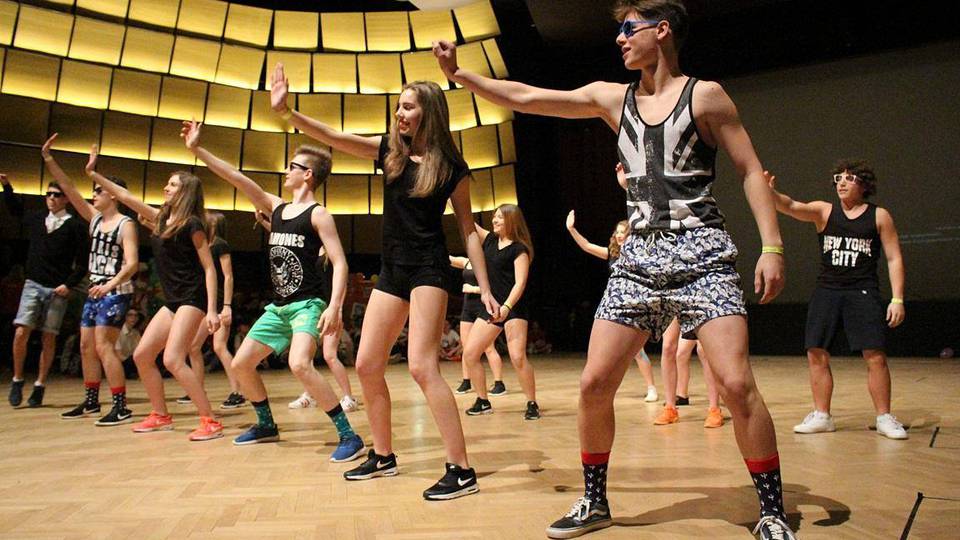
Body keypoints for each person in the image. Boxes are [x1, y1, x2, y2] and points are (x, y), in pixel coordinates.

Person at [434, 1, 794, 537]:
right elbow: (529, 97)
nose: (620, 39)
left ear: (662, 30)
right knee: (594, 382)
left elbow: (749, 170)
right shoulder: (612, 98)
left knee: (738, 384)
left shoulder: (706, 96)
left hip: (703, 254)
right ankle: (594, 501)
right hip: (638, 258)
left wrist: (773, 246)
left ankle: (772, 512)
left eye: (630, 29)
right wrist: (460, 74)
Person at [270, 63, 498, 499]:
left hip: (429, 269)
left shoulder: (452, 167)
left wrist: (484, 286)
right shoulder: (389, 152)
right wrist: (289, 113)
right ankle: (383, 455)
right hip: (392, 269)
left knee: (421, 366)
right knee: (367, 364)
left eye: (408, 107)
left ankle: (461, 469)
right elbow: (335, 137)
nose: (399, 114)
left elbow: (468, 229)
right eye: (398, 107)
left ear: (428, 112)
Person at [181, 119, 365, 461]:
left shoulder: (319, 215)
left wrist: (335, 306)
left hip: (307, 305)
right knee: (241, 364)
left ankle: (348, 435)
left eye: (292, 166)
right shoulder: (276, 208)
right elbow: (236, 178)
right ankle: (266, 424)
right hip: (279, 308)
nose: (286, 171)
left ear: (307, 174)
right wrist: (198, 149)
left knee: (300, 364)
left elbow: (340, 263)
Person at [87, 145, 224, 441]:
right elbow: (125, 197)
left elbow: (210, 269)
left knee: (173, 359)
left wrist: (213, 309)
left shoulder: (192, 224)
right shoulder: (161, 220)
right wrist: (93, 173)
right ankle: (160, 415)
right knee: (142, 355)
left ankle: (210, 420)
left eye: (172, 185)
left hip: (192, 297)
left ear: (185, 192)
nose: (166, 188)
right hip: (173, 300)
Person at [767, 163, 907, 439]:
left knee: (875, 355)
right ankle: (822, 415)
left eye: (849, 178)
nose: (842, 183)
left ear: (864, 184)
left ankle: (884, 417)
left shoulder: (879, 216)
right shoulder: (824, 211)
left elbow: (894, 258)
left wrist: (897, 299)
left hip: (863, 291)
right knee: (816, 352)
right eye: (838, 178)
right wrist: (770, 193)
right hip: (827, 291)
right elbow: (791, 206)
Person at [40, 135, 139, 425]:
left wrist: (109, 285)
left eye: (99, 190)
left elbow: (132, 263)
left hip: (115, 290)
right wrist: (48, 158)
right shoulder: (95, 219)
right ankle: (92, 400)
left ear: (113, 195)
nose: (94, 194)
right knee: (86, 346)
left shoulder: (125, 224)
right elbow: (69, 188)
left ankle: (120, 405)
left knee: (104, 346)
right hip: (96, 290)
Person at [2, 171, 86, 408]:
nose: (51, 198)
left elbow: (83, 262)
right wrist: (7, 187)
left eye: (57, 195)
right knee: (21, 331)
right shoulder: (38, 218)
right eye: (48, 194)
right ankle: (18, 378)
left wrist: (68, 284)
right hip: (33, 283)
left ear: (66, 198)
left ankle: (39, 384)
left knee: (49, 336)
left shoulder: (74, 226)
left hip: (57, 288)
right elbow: (16, 211)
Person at [565, 209, 657, 402]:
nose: (620, 235)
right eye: (618, 232)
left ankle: (651, 388)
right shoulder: (612, 254)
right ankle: (609, 386)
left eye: (624, 232)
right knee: (618, 351)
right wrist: (571, 229)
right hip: (616, 306)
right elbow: (587, 246)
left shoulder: (639, 255)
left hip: (636, 305)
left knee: (638, 352)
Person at [460, 205, 540, 419]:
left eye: (499, 218)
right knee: (470, 354)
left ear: (511, 221)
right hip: (491, 307)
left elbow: (520, 283)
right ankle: (483, 401)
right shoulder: (489, 241)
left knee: (517, 357)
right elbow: (466, 219)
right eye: (494, 217)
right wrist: (447, 194)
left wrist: (507, 307)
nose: (494, 221)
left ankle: (532, 402)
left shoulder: (519, 249)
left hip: (513, 307)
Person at [178, 212, 245, 410]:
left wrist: (227, 306)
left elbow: (228, 276)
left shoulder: (220, 245)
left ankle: (238, 392)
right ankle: (197, 389)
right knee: (193, 346)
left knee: (219, 346)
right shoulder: (200, 244)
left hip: (220, 302)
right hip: (205, 302)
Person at [449, 255, 506, 395]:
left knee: (488, 347)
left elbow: (496, 287)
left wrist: (473, 289)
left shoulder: (490, 263)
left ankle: (499, 383)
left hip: (484, 307)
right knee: (466, 346)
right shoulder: (467, 261)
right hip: (468, 308)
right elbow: (448, 259)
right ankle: (466, 381)